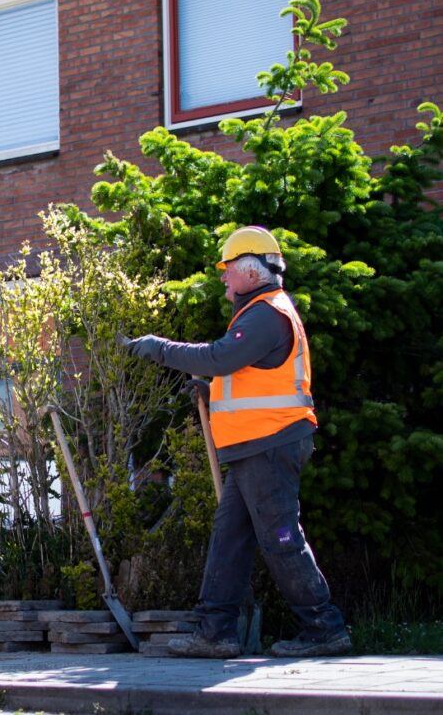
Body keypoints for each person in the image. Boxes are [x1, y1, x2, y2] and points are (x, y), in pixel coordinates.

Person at [123, 226, 351, 659]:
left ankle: (324, 629)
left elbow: (221, 356)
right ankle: (215, 632)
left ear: (250, 270)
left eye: (228, 270)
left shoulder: (267, 313)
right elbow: (248, 374)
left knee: (280, 538)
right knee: (229, 538)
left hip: (270, 443)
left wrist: (159, 347)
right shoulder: (259, 312)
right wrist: (212, 392)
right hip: (255, 446)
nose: (224, 278)